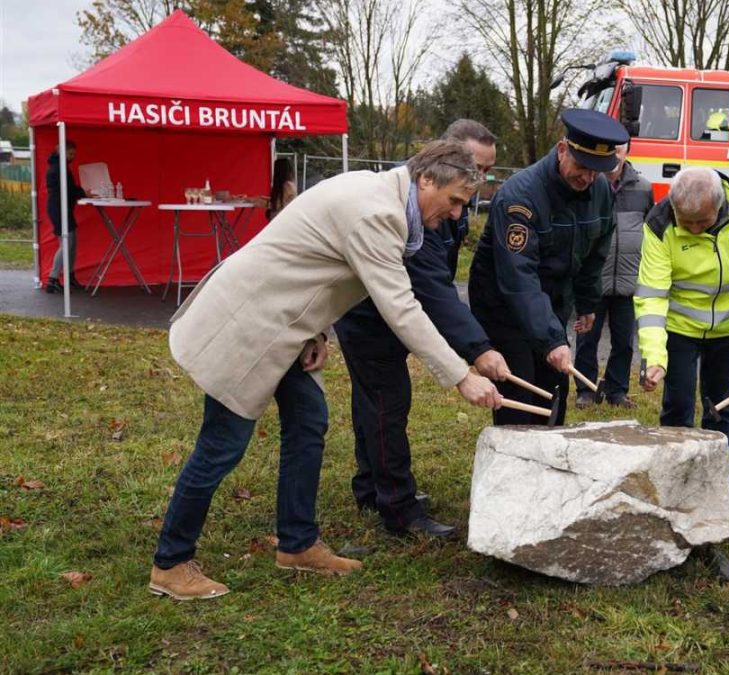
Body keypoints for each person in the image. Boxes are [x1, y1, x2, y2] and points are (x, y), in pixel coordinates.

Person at [148, 141, 502, 601]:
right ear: (426, 180)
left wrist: (315, 333)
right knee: (222, 443)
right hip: (249, 325)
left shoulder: (382, 197)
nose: (457, 214)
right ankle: (171, 563)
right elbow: (400, 306)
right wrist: (460, 374)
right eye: (454, 200)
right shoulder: (378, 212)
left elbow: (310, 263)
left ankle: (297, 545)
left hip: (286, 329)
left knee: (309, 422)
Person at [334, 120, 506, 538]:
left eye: (485, 171)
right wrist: (475, 352)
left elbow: (440, 280)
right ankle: (398, 507)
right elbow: (427, 285)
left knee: (374, 404)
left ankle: (371, 486)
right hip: (370, 315)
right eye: (473, 168)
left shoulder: (448, 200)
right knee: (386, 405)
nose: (478, 179)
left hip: (394, 310)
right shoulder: (404, 206)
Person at [469, 109, 629, 425]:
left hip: (553, 302)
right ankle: (515, 467)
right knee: (519, 393)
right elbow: (519, 279)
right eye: (582, 167)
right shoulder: (520, 196)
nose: (587, 178)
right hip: (506, 307)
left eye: (597, 171)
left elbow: (595, 251)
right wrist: (553, 340)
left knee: (555, 386)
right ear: (561, 150)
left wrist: (587, 302)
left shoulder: (599, 192)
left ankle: (550, 461)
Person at [636, 167, 729, 470]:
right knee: (677, 406)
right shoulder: (659, 224)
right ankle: (674, 476)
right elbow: (651, 295)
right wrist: (655, 356)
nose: (696, 229)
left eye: (703, 221)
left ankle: (718, 478)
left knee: (721, 406)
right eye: (687, 223)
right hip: (680, 329)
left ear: (720, 204)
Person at [573, 143, 653, 409]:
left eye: (620, 149)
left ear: (627, 152)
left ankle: (617, 391)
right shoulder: (590, 183)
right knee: (587, 338)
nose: (616, 154)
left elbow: (650, 231)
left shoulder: (643, 188)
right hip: (595, 280)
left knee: (624, 342)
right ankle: (586, 389)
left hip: (629, 281)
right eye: (612, 149)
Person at [44, 140, 87, 294]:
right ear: (62, 152)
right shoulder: (58, 168)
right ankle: (53, 279)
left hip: (63, 208)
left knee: (72, 243)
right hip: (59, 208)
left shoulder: (60, 167)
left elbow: (68, 189)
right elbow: (67, 190)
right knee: (67, 244)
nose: (72, 157)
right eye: (70, 154)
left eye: (74, 154)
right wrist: (83, 193)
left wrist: (80, 192)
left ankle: (69, 276)